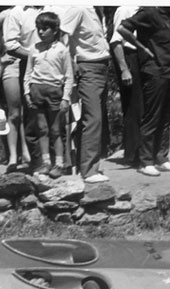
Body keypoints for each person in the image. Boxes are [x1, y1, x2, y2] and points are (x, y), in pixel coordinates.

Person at [118, 7, 170, 177]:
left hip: (169, 71)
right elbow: (122, 28)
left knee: (166, 117)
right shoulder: (149, 12)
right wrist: (141, 48)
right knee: (152, 117)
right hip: (155, 71)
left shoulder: (169, 14)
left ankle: (161, 158)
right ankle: (145, 161)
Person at [51, 6, 112, 183]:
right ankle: (88, 170)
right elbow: (64, 36)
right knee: (93, 118)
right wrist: (71, 62)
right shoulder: (78, 8)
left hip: (102, 66)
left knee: (95, 118)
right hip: (88, 67)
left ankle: (91, 165)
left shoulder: (96, 10)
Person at [24, 11, 73, 179]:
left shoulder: (62, 50)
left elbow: (69, 76)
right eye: (39, 28)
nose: (41, 32)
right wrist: (27, 92)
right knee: (42, 129)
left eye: (45, 29)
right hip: (37, 91)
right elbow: (28, 73)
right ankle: (45, 162)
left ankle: (59, 163)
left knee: (56, 130)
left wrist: (66, 98)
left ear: (55, 29)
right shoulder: (34, 49)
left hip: (55, 92)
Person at [1, 5, 42, 173]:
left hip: (37, 67)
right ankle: (12, 156)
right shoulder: (13, 13)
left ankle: (28, 153)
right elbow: (7, 43)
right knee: (14, 112)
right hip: (14, 63)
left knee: (31, 112)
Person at [109, 6, 143, 168]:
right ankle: (132, 154)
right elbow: (116, 41)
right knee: (133, 107)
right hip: (129, 58)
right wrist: (124, 69)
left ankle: (143, 152)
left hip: (142, 58)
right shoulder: (124, 9)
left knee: (143, 108)